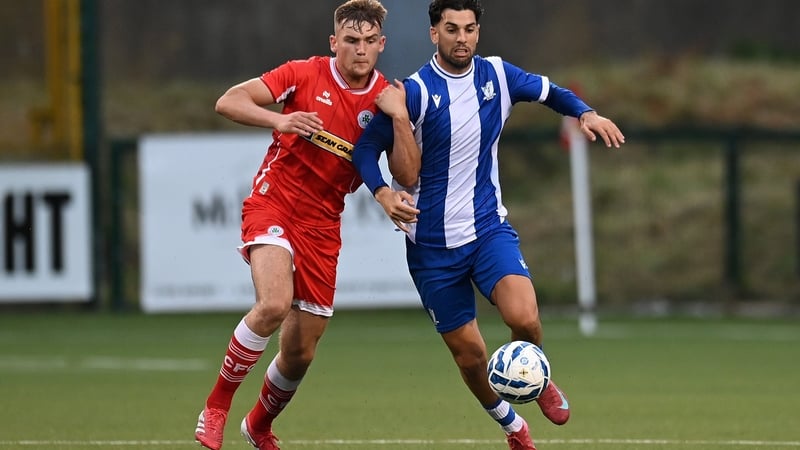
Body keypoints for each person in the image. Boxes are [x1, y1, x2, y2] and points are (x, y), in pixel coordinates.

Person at [351, 1, 625, 449]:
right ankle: (511, 424)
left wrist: (585, 112)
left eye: (471, 29)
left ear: (479, 31)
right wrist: (382, 192)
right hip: (432, 249)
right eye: (452, 29)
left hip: (486, 230)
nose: (463, 38)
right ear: (433, 34)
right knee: (471, 355)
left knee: (526, 318)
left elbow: (550, 91)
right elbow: (365, 150)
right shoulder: (414, 92)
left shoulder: (497, 75)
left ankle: (537, 377)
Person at [192, 2, 410, 449]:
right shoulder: (303, 73)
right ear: (334, 43)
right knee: (273, 304)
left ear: (382, 45)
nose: (360, 50)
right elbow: (227, 101)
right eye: (351, 41)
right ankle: (215, 407)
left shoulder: (387, 99)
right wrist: (280, 119)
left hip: (323, 224)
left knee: (299, 353)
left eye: (369, 42)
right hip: (275, 203)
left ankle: (258, 426)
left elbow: (407, 174)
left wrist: (402, 118)